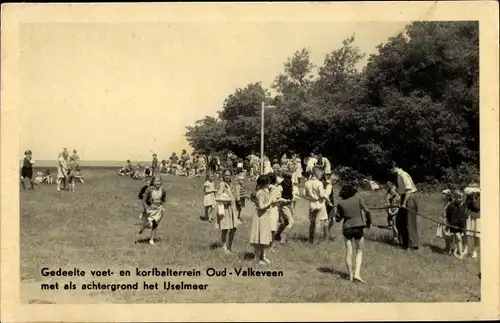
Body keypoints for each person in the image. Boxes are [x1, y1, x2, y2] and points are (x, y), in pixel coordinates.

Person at [335, 184, 372, 283]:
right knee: (359, 251)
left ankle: (350, 276)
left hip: (347, 228)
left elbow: (338, 219)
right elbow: (367, 211)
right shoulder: (358, 198)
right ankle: (357, 274)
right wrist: (368, 223)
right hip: (358, 227)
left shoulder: (340, 203)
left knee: (349, 252)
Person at [389, 161, 419, 250]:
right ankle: (405, 242)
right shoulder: (398, 175)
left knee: (410, 222)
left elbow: (409, 190)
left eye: (390, 170)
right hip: (403, 196)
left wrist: (404, 202)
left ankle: (413, 245)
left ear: (393, 168)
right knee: (400, 221)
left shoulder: (403, 175)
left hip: (409, 197)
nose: (390, 172)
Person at [249, 174, 274, 265]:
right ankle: (257, 258)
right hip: (260, 217)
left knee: (263, 237)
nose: (269, 184)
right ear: (265, 183)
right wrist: (270, 201)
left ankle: (263, 256)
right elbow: (261, 206)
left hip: (264, 217)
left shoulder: (264, 191)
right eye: (268, 182)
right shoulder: (261, 193)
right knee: (259, 237)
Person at [214, 169, 238, 253]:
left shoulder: (231, 185)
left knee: (233, 228)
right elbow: (217, 196)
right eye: (226, 175)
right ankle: (224, 246)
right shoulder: (222, 185)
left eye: (229, 175)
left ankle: (230, 246)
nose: (227, 177)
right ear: (223, 176)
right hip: (225, 208)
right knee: (225, 228)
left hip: (232, 208)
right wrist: (225, 199)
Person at [139, 175, 167, 246]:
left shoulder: (163, 190)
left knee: (155, 225)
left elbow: (163, 199)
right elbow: (144, 200)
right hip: (150, 209)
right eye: (156, 181)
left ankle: (151, 240)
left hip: (158, 210)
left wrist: (162, 207)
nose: (158, 183)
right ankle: (144, 226)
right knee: (149, 224)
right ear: (153, 182)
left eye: (159, 181)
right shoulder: (149, 189)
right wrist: (146, 208)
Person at [304, 166, 328, 243]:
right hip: (319, 204)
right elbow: (321, 195)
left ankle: (310, 238)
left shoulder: (307, 183)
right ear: (317, 173)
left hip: (311, 204)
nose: (321, 176)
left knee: (312, 222)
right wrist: (325, 194)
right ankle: (315, 240)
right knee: (318, 223)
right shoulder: (319, 183)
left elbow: (305, 194)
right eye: (320, 174)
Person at [445, 190, 468, 259]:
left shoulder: (463, 205)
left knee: (457, 240)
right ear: (455, 198)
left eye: (461, 197)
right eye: (459, 197)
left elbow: (465, 215)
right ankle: (461, 253)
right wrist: (448, 224)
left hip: (461, 225)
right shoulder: (451, 206)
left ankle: (455, 251)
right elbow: (448, 215)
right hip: (454, 225)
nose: (461, 199)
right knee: (459, 238)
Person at [275, 171, 294, 244]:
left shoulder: (290, 184)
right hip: (283, 206)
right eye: (288, 178)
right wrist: (285, 200)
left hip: (289, 205)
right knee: (291, 222)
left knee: (286, 222)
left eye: (290, 178)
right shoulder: (280, 186)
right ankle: (283, 237)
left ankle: (277, 235)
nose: (289, 180)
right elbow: (277, 198)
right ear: (284, 178)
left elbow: (291, 194)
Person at [464, 182, 480, 258]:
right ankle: (466, 249)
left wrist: (474, 199)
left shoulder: (480, 197)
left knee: (476, 235)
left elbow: (477, 208)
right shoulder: (468, 197)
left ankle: (474, 251)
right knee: (466, 233)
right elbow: (465, 206)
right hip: (469, 216)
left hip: (477, 217)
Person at [267, 173, 281, 249]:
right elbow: (273, 200)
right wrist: (280, 200)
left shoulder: (266, 187)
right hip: (273, 208)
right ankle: (270, 245)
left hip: (267, 208)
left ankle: (265, 243)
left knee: (267, 226)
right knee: (272, 228)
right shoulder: (275, 188)